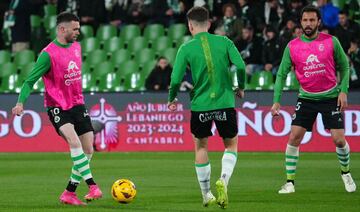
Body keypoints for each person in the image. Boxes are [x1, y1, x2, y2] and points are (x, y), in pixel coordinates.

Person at [12, 12, 102, 205]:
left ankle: (69, 192)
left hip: (78, 104)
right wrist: (20, 102)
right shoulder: (48, 54)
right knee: (74, 141)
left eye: (79, 28)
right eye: (75, 29)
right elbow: (29, 82)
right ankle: (93, 186)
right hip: (57, 107)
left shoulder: (76, 47)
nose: (79, 32)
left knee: (88, 150)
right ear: (62, 29)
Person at [271, 5, 356, 194]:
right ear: (300, 22)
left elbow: (345, 66)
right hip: (306, 98)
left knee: (339, 140)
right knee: (294, 137)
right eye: (305, 20)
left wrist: (343, 91)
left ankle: (346, 173)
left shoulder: (331, 41)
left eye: (312, 20)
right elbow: (281, 75)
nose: (308, 24)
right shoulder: (292, 46)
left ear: (319, 22)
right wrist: (277, 100)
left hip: (330, 97)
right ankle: (290, 183)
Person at [167, 6, 246, 208]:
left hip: (200, 106)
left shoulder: (186, 48)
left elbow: (175, 79)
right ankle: (224, 180)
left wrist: (172, 98)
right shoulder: (225, 42)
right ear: (209, 24)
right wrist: (240, 87)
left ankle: (206, 194)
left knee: (201, 146)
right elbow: (241, 66)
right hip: (225, 103)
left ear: (190, 26)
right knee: (231, 145)